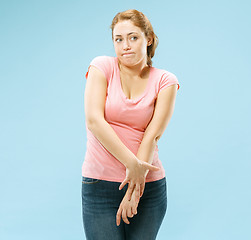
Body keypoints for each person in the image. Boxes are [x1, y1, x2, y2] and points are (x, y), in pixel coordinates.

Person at [82, 9, 180, 240]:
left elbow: (152, 135)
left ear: (149, 39)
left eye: (133, 37)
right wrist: (132, 164)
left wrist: (135, 189)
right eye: (119, 39)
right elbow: (94, 121)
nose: (125, 45)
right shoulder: (102, 67)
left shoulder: (165, 81)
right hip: (99, 185)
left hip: (149, 187)